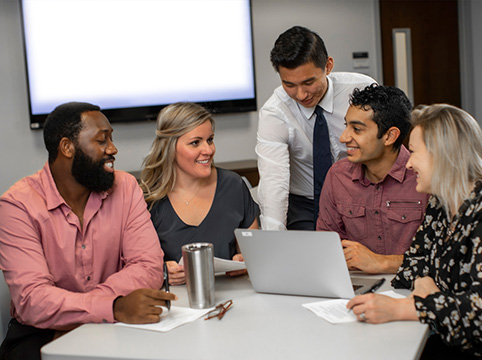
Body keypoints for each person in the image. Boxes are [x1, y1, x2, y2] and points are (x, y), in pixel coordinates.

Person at [347, 104, 482, 358]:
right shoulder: (442, 200)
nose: (408, 164)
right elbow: (414, 265)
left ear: (444, 155)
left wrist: (404, 308)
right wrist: (428, 289)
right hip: (453, 335)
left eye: (414, 152)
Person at [0, 102, 175, 360]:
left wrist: (100, 310)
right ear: (67, 147)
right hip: (41, 331)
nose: (113, 149)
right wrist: (110, 307)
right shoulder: (17, 205)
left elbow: (148, 265)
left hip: (118, 319)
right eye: (101, 140)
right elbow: (32, 300)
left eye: (111, 138)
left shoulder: (125, 187)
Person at [256, 25, 376, 230]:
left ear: (328, 66)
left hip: (361, 194)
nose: (301, 94)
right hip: (305, 203)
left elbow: (385, 148)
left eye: (308, 82)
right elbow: (273, 183)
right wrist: (273, 242)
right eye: (290, 85)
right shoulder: (275, 112)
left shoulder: (362, 90)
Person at [140, 102, 259, 285]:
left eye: (210, 140)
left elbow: (253, 252)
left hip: (233, 299)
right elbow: (132, 265)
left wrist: (245, 262)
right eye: (195, 142)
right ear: (170, 147)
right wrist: (161, 272)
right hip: (177, 304)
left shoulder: (234, 185)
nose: (208, 150)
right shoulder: (148, 198)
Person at [317, 84, 428, 274]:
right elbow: (326, 247)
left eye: (357, 129)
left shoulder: (424, 178)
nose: (343, 138)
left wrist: (382, 263)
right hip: (355, 285)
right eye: (346, 126)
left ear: (389, 136)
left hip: (413, 286)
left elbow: (441, 257)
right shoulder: (338, 176)